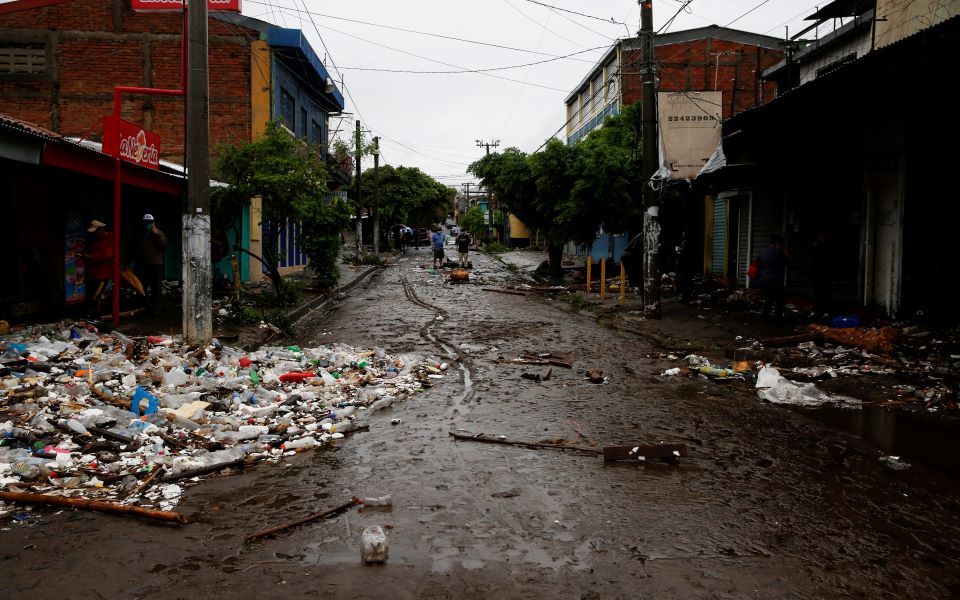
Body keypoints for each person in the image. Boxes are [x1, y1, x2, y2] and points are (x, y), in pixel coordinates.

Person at [135, 213, 167, 314]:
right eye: (146, 222)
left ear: (153, 223)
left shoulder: (159, 233)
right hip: (142, 264)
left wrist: (157, 234)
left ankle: (156, 307)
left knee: (156, 287)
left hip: (156, 265)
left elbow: (164, 245)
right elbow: (133, 249)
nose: (148, 224)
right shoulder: (139, 234)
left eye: (150, 222)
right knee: (141, 286)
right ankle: (144, 305)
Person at [758, 233, 789, 323]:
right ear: (778, 243)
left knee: (768, 298)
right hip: (775, 280)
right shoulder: (780, 251)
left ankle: (765, 317)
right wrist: (785, 252)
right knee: (779, 299)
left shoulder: (763, 251)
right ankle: (778, 318)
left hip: (764, 279)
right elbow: (789, 261)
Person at [84, 219, 114, 311]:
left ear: (101, 230)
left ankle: (93, 314)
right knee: (94, 295)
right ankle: (96, 313)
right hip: (94, 273)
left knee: (95, 296)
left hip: (102, 274)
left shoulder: (110, 240)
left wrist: (90, 257)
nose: (94, 234)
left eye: (96, 231)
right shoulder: (97, 240)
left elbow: (106, 255)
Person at [811, 231, 831, 321]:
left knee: (823, 293)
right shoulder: (817, 246)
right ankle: (818, 311)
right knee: (818, 293)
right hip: (819, 273)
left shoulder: (824, 246)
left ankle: (823, 311)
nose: (821, 238)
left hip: (823, 273)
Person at [674, 229, 692, 302]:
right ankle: (686, 296)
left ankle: (685, 297)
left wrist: (677, 250)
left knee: (683, 281)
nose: (683, 234)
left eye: (684, 233)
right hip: (686, 264)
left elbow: (682, 254)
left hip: (683, 265)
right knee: (686, 281)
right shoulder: (687, 242)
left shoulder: (685, 242)